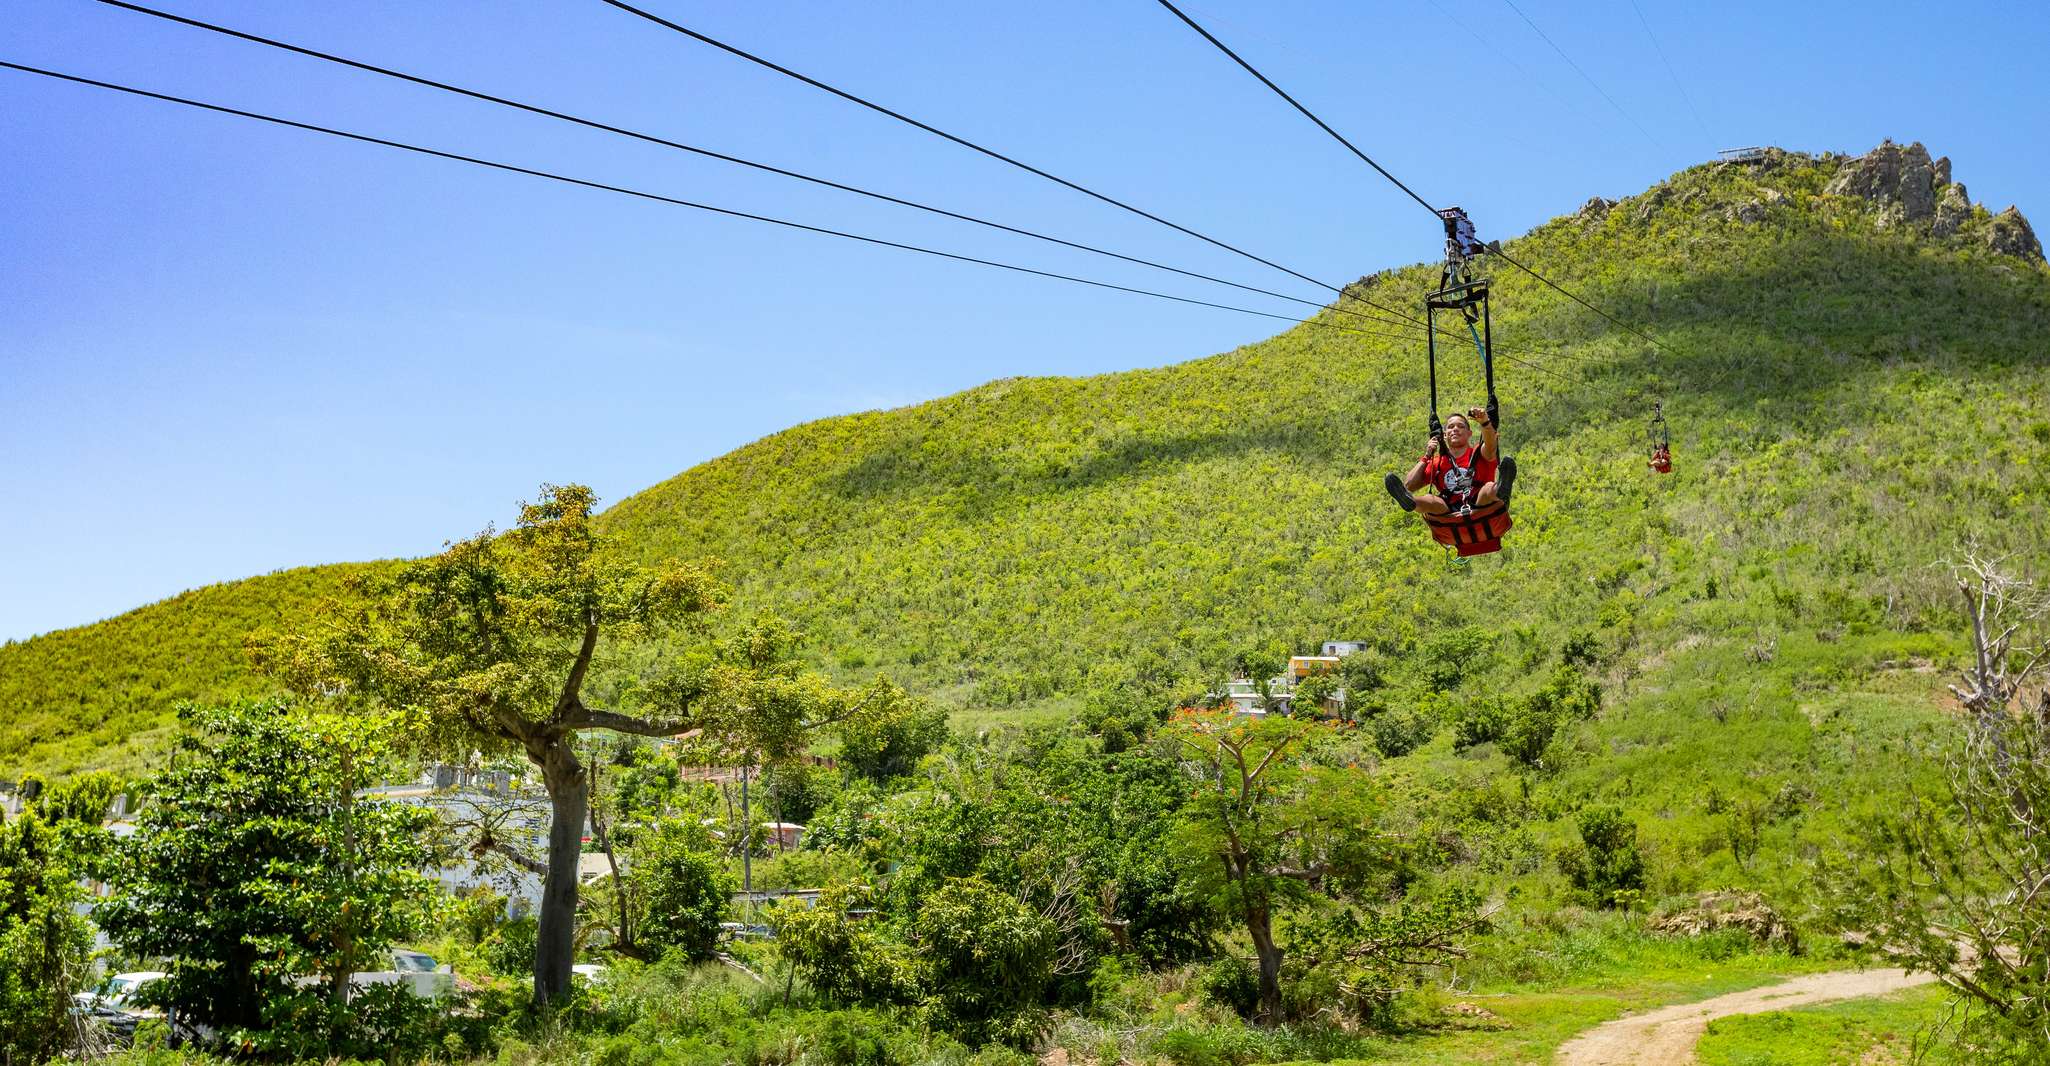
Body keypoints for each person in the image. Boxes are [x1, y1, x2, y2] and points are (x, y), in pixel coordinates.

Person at [1384, 406, 1516, 516]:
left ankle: (1501, 489)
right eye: (1451, 427)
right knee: (1432, 500)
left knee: (1487, 489)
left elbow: (1491, 445)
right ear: (1445, 435)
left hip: (1480, 505)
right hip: (1449, 511)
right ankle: (1411, 502)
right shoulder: (1438, 462)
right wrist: (1427, 456)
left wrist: (1485, 422)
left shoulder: (1478, 453)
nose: (1455, 429)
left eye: (1460, 426)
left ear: (1469, 433)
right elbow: (1409, 485)